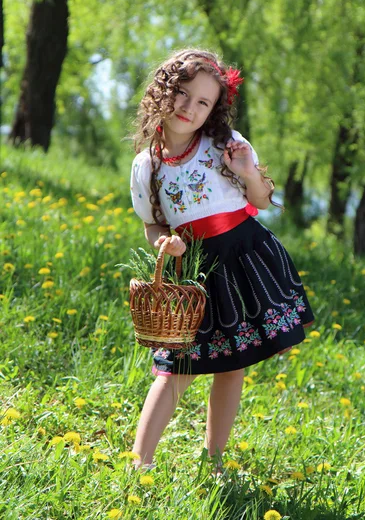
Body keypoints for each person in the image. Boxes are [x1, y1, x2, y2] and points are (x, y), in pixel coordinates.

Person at [130, 48, 315, 470]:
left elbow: (262, 201)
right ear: (163, 90)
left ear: (214, 109)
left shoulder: (226, 146)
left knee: (233, 363)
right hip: (194, 269)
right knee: (177, 366)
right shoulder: (148, 166)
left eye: (202, 102)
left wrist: (249, 171)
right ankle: (139, 464)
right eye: (182, 93)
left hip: (243, 257)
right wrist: (166, 243)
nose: (188, 107)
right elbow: (152, 225)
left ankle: (214, 460)